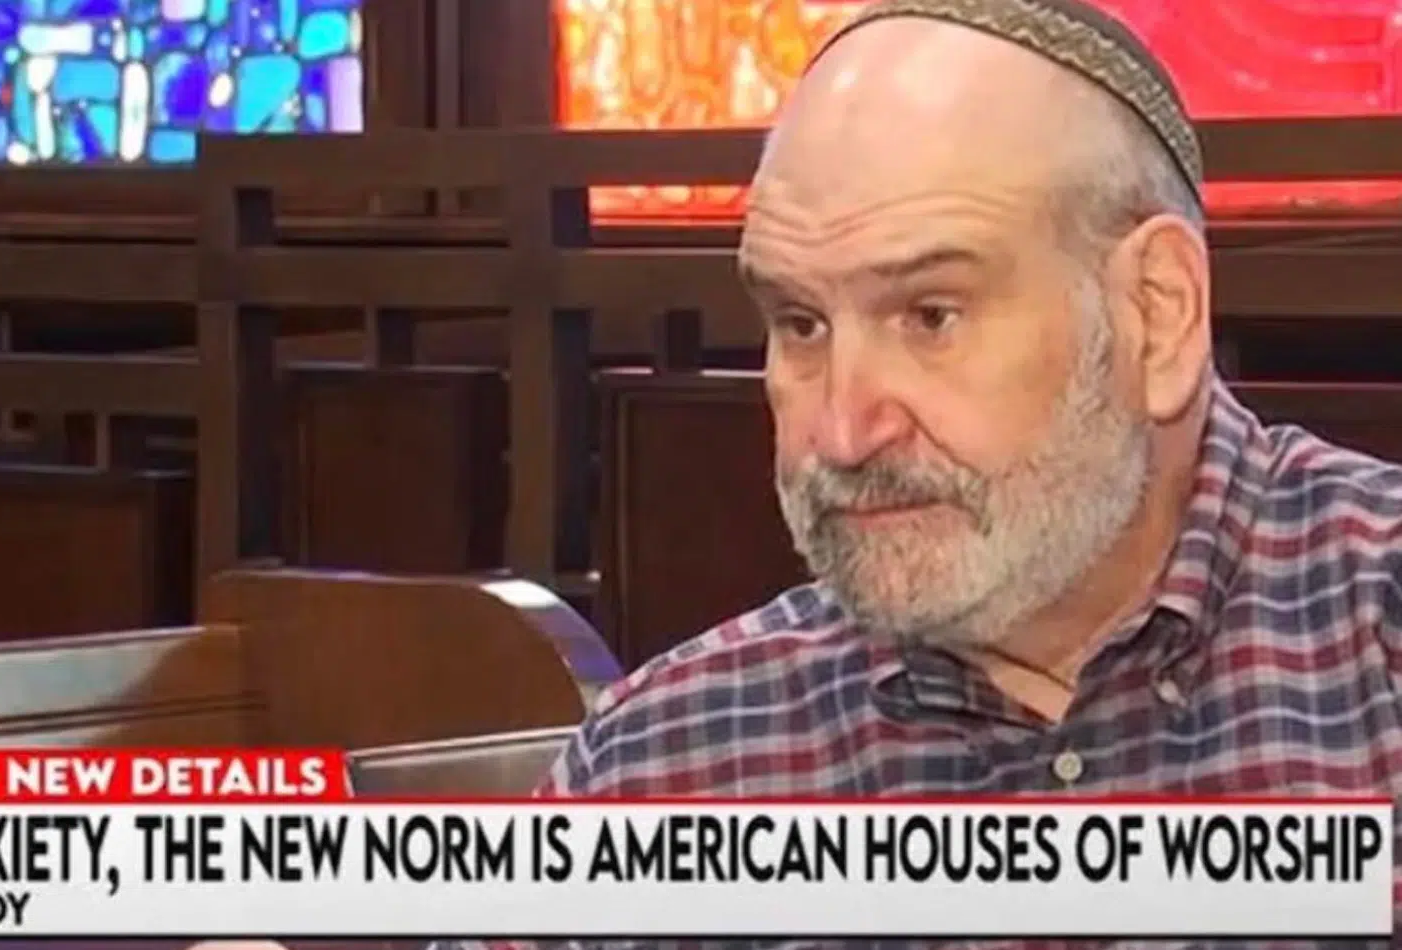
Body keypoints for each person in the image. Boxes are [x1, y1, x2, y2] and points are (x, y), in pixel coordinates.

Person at [207, 0, 1399, 946]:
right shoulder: (674, 757)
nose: (841, 429)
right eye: (798, 324)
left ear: (1154, 312)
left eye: (929, 314)